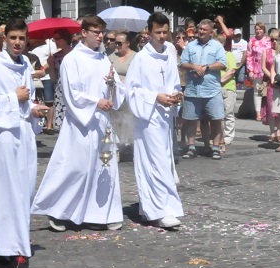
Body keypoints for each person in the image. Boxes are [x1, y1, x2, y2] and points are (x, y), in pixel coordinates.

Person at [34, 15, 127, 231]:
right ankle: (58, 211)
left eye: (102, 33)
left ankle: (98, 214)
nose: (100, 37)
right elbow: (72, 93)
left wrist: (113, 87)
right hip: (80, 123)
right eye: (96, 32)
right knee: (75, 167)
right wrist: (96, 102)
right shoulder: (72, 59)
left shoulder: (103, 59)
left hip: (102, 122)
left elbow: (116, 86)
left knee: (103, 167)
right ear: (84, 33)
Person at [0, 19, 49, 268]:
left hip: (24, 133)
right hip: (4, 136)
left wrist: (33, 109)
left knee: (24, 191)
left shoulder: (25, 63)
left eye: (22, 38)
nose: (18, 43)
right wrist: (13, 98)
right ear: (5, 39)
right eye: (13, 38)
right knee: (7, 192)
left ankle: (5, 243)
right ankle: (14, 250)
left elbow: (27, 100)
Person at [125, 12, 183, 229]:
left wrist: (176, 96)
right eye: (158, 32)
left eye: (165, 32)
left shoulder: (169, 54)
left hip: (165, 117)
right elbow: (131, 90)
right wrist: (155, 97)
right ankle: (161, 210)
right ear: (148, 32)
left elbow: (174, 82)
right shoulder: (141, 58)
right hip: (148, 117)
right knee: (155, 162)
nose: (162, 36)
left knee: (164, 161)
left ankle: (151, 208)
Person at [178, 19, 227, 159]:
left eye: (204, 30)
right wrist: (194, 67)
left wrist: (206, 67)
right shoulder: (190, 46)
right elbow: (182, 63)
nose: (201, 31)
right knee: (191, 119)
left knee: (216, 119)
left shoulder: (217, 46)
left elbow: (223, 64)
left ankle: (216, 147)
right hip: (193, 90)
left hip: (212, 90)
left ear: (211, 32)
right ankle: (191, 147)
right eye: (200, 29)